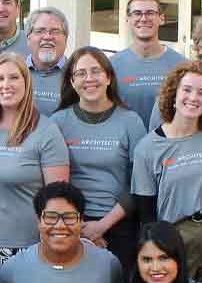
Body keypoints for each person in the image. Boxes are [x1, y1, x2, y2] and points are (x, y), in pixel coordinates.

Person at [132, 61, 202, 283]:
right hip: (175, 236)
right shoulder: (147, 148)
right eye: (187, 90)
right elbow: (146, 214)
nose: (194, 97)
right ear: (173, 94)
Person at [0, 53, 70, 258]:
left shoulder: (46, 131)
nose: (6, 84)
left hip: (26, 250)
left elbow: (58, 200)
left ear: (26, 82)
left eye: (14, 77)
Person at [52, 46, 147, 269]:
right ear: (72, 82)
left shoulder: (131, 121)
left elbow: (139, 183)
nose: (89, 79)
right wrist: (80, 228)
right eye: (81, 73)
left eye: (96, 71)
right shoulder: (58, 122)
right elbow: (53, 184)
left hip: (119, 223)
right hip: (69, 224)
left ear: (108, 77)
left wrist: (101, 226)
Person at [109, 0, 185, 125]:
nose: (144, 18)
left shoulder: (181, 65)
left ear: (162, 18)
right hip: (127, 144)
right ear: (127, 19)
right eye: (137, 13)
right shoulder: (111, 65)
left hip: (166, 144)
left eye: (150, 13)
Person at [24, 8, 71, 116]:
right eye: (40, 31)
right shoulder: (14, 73)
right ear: (28, 38)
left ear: (66, 38)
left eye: (55, 31)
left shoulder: (77, 74)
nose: (48, 37)